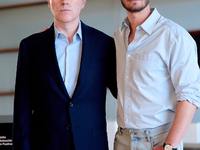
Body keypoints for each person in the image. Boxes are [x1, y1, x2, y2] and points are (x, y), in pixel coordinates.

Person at [12, 0, 117, 150]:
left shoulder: (105, 44)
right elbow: (22, 109)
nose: (65, 1)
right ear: (49, 2)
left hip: (92, 145)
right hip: (46, 145)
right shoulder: (30, 47)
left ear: (82, 2)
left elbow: (124, 94)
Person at [113, 0, 200, 150]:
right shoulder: (117, 37)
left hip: (159, 140)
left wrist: (170, 146)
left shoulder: (175, 36)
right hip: (122, 139)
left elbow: (190, 95)